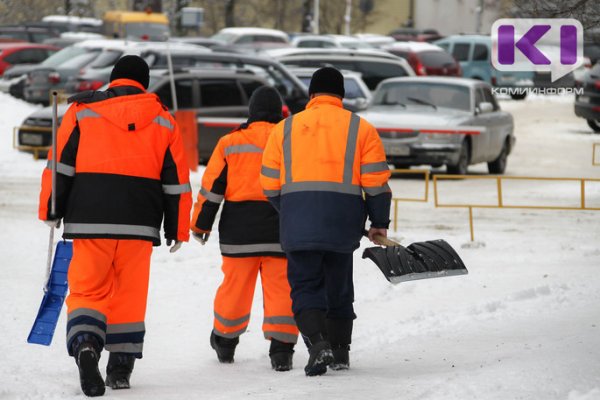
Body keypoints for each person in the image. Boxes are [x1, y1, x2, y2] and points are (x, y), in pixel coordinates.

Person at [38, 55, 192, 397]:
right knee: (128, 294)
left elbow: (59, 165)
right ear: (145, 83)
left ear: (112, 79)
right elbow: (177, 182)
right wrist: (178, 229)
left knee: (88, 289)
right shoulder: (164, 119)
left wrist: (52, 208)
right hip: (139, 223)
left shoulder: (82, 111)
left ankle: (86, 345)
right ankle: (120, 368)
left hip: (89, 220)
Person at [260, 67, 391, 376]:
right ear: (341, 95)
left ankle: (318, 344)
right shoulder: (362, 128)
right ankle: (341, 352)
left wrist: (290, 209)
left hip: (299, 220)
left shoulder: (285, 128)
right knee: (340, 286)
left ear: (311, 95)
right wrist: (378, 221)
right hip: (343, 222)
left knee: (305, 286)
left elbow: (268, 183)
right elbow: (376, 183)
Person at [191, 86, 299, 371]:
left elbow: (212, 188)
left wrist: (200, 223)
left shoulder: (230, 143)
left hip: (239, 232)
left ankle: (225, 343)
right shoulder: (291, 143)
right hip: (282, 228)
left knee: (235, 289)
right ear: (279, 113)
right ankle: (282, 349)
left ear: (250, 112)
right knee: (282, 289)